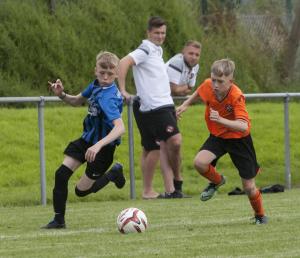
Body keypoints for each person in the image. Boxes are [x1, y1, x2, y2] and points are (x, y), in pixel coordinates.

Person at [176, 59, 268, 224]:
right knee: (199, 163)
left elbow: (243, 125)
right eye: (213, 79)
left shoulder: (236, 96)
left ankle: (260, 215)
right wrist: (185, 104)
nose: (215, 85)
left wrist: (220, 120)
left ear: (230, 81)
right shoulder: (209, 86)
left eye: (220, 81)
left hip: (239, 140)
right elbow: (200, 90)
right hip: (218, 137)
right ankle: (217, 181)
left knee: (248, 187)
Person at [42, 51, 126, 229]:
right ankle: (58, 220)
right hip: (87, 140)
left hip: (102, 149)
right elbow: (77, 101)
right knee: (61, 174)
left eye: (110, 74)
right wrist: (62, 94)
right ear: (95, 70)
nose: (105, 77)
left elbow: (120, 128)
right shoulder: (95, 85)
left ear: (116, 74)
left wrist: (98, 145)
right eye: (102, 72)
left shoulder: (108, 98)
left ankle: (113, 173)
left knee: (81, 191)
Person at [118, 16, 182, 199]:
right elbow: (123, 62)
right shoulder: (145, 48)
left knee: (151, 147)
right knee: (172, 142)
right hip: (156, 107)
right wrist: (122, 89)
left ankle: (148, 190)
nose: (160, 36)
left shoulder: (156, 50)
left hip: (159, 104)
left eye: (163, 33)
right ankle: (176, 185)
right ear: (148, 33)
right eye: (156, 33)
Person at [165, 40, 201, 195]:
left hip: (169, 106)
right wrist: (184, 89)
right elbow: (174, 90)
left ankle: (174, 188)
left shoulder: (195, 66)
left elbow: (190, 89)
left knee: (171, 145)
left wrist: (184, 89)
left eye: (197, 55)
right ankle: (171, 189)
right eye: (190, 53)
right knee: (166, 145)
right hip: (160, 105)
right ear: (183, 52)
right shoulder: (177, 62)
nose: (193, 57)